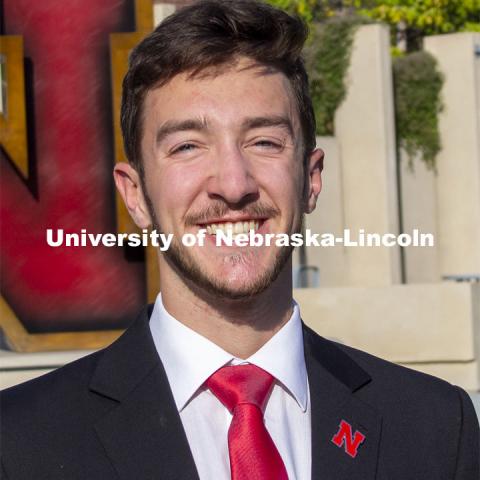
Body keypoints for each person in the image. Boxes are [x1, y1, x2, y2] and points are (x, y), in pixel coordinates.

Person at [1, 1, 478, 479]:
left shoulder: (436, 428)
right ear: (136, 195)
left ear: (311, 179)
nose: (233, 184)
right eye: (187, 146)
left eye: (264, 141)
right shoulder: (20, 442)